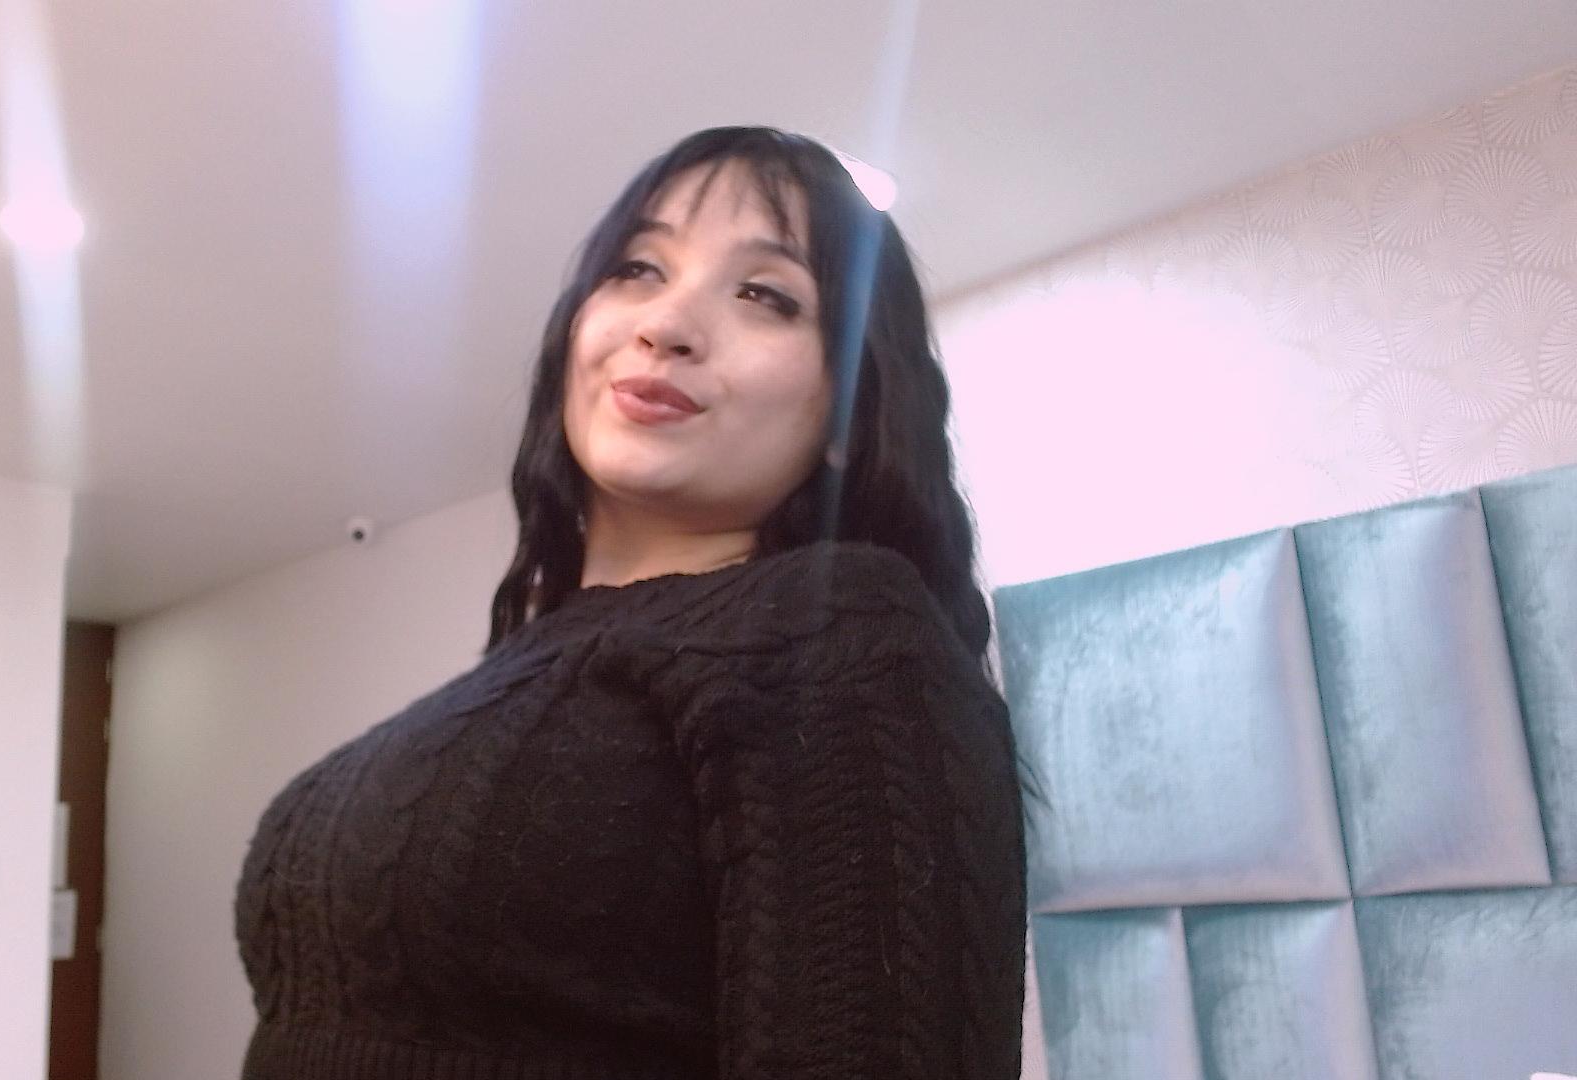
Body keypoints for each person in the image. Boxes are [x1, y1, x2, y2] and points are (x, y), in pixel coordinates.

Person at [235, 126, 1028, 1079]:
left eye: (766, 295)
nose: (668, 323)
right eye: (638, 269)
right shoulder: (527, 667)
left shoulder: (839, 629)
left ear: (847, 414)